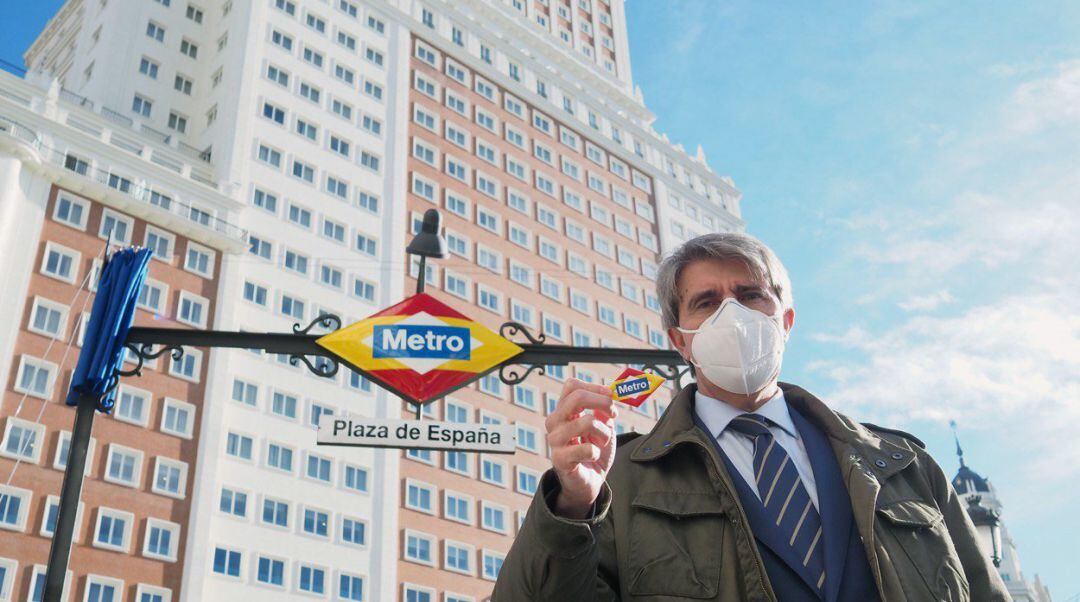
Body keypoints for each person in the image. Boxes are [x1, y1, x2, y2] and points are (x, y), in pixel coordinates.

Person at [493, 233, 1008, 601]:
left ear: (785, 320)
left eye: (749, 295)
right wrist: (574, 505)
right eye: (706, 302)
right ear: (680, 341)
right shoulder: (621, 481)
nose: (732, 316)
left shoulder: (903, 468)